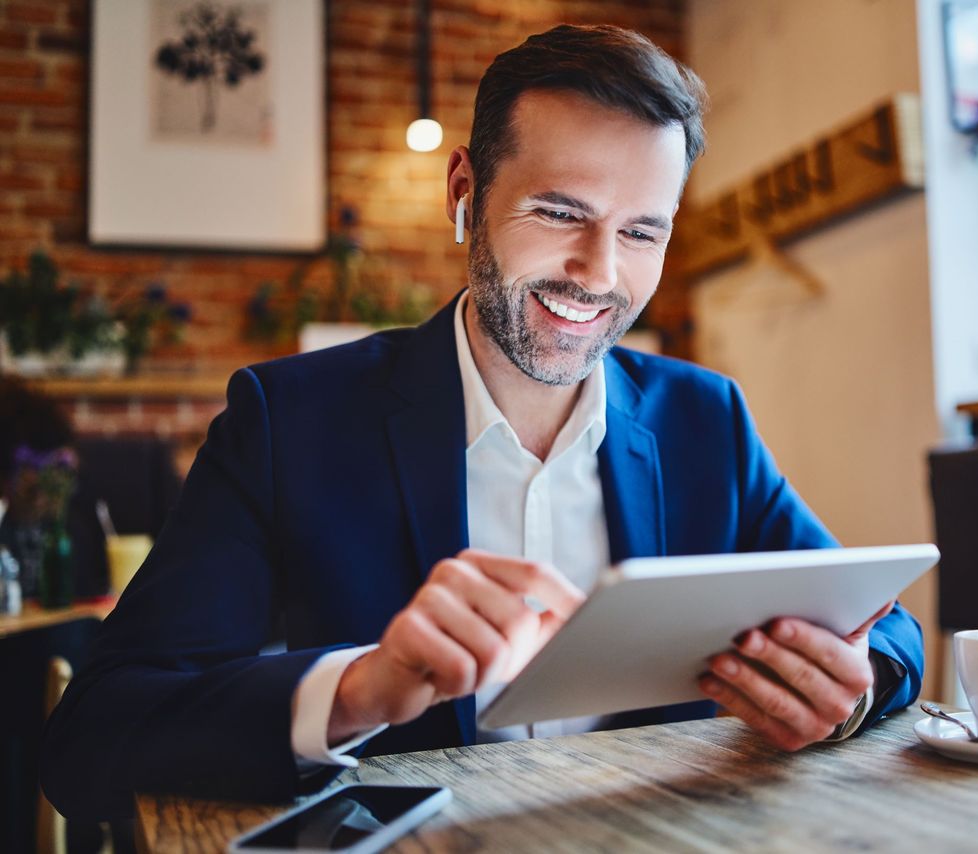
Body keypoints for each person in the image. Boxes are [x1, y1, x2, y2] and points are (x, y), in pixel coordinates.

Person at [41, 24, 924, 822]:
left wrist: (848, 687)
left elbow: (877, 624)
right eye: (558, 213)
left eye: (642, 232)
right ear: (465, 189)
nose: (598, 274)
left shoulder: (706, 418)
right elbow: (94, 738)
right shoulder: (289, 421)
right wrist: (357, 689)